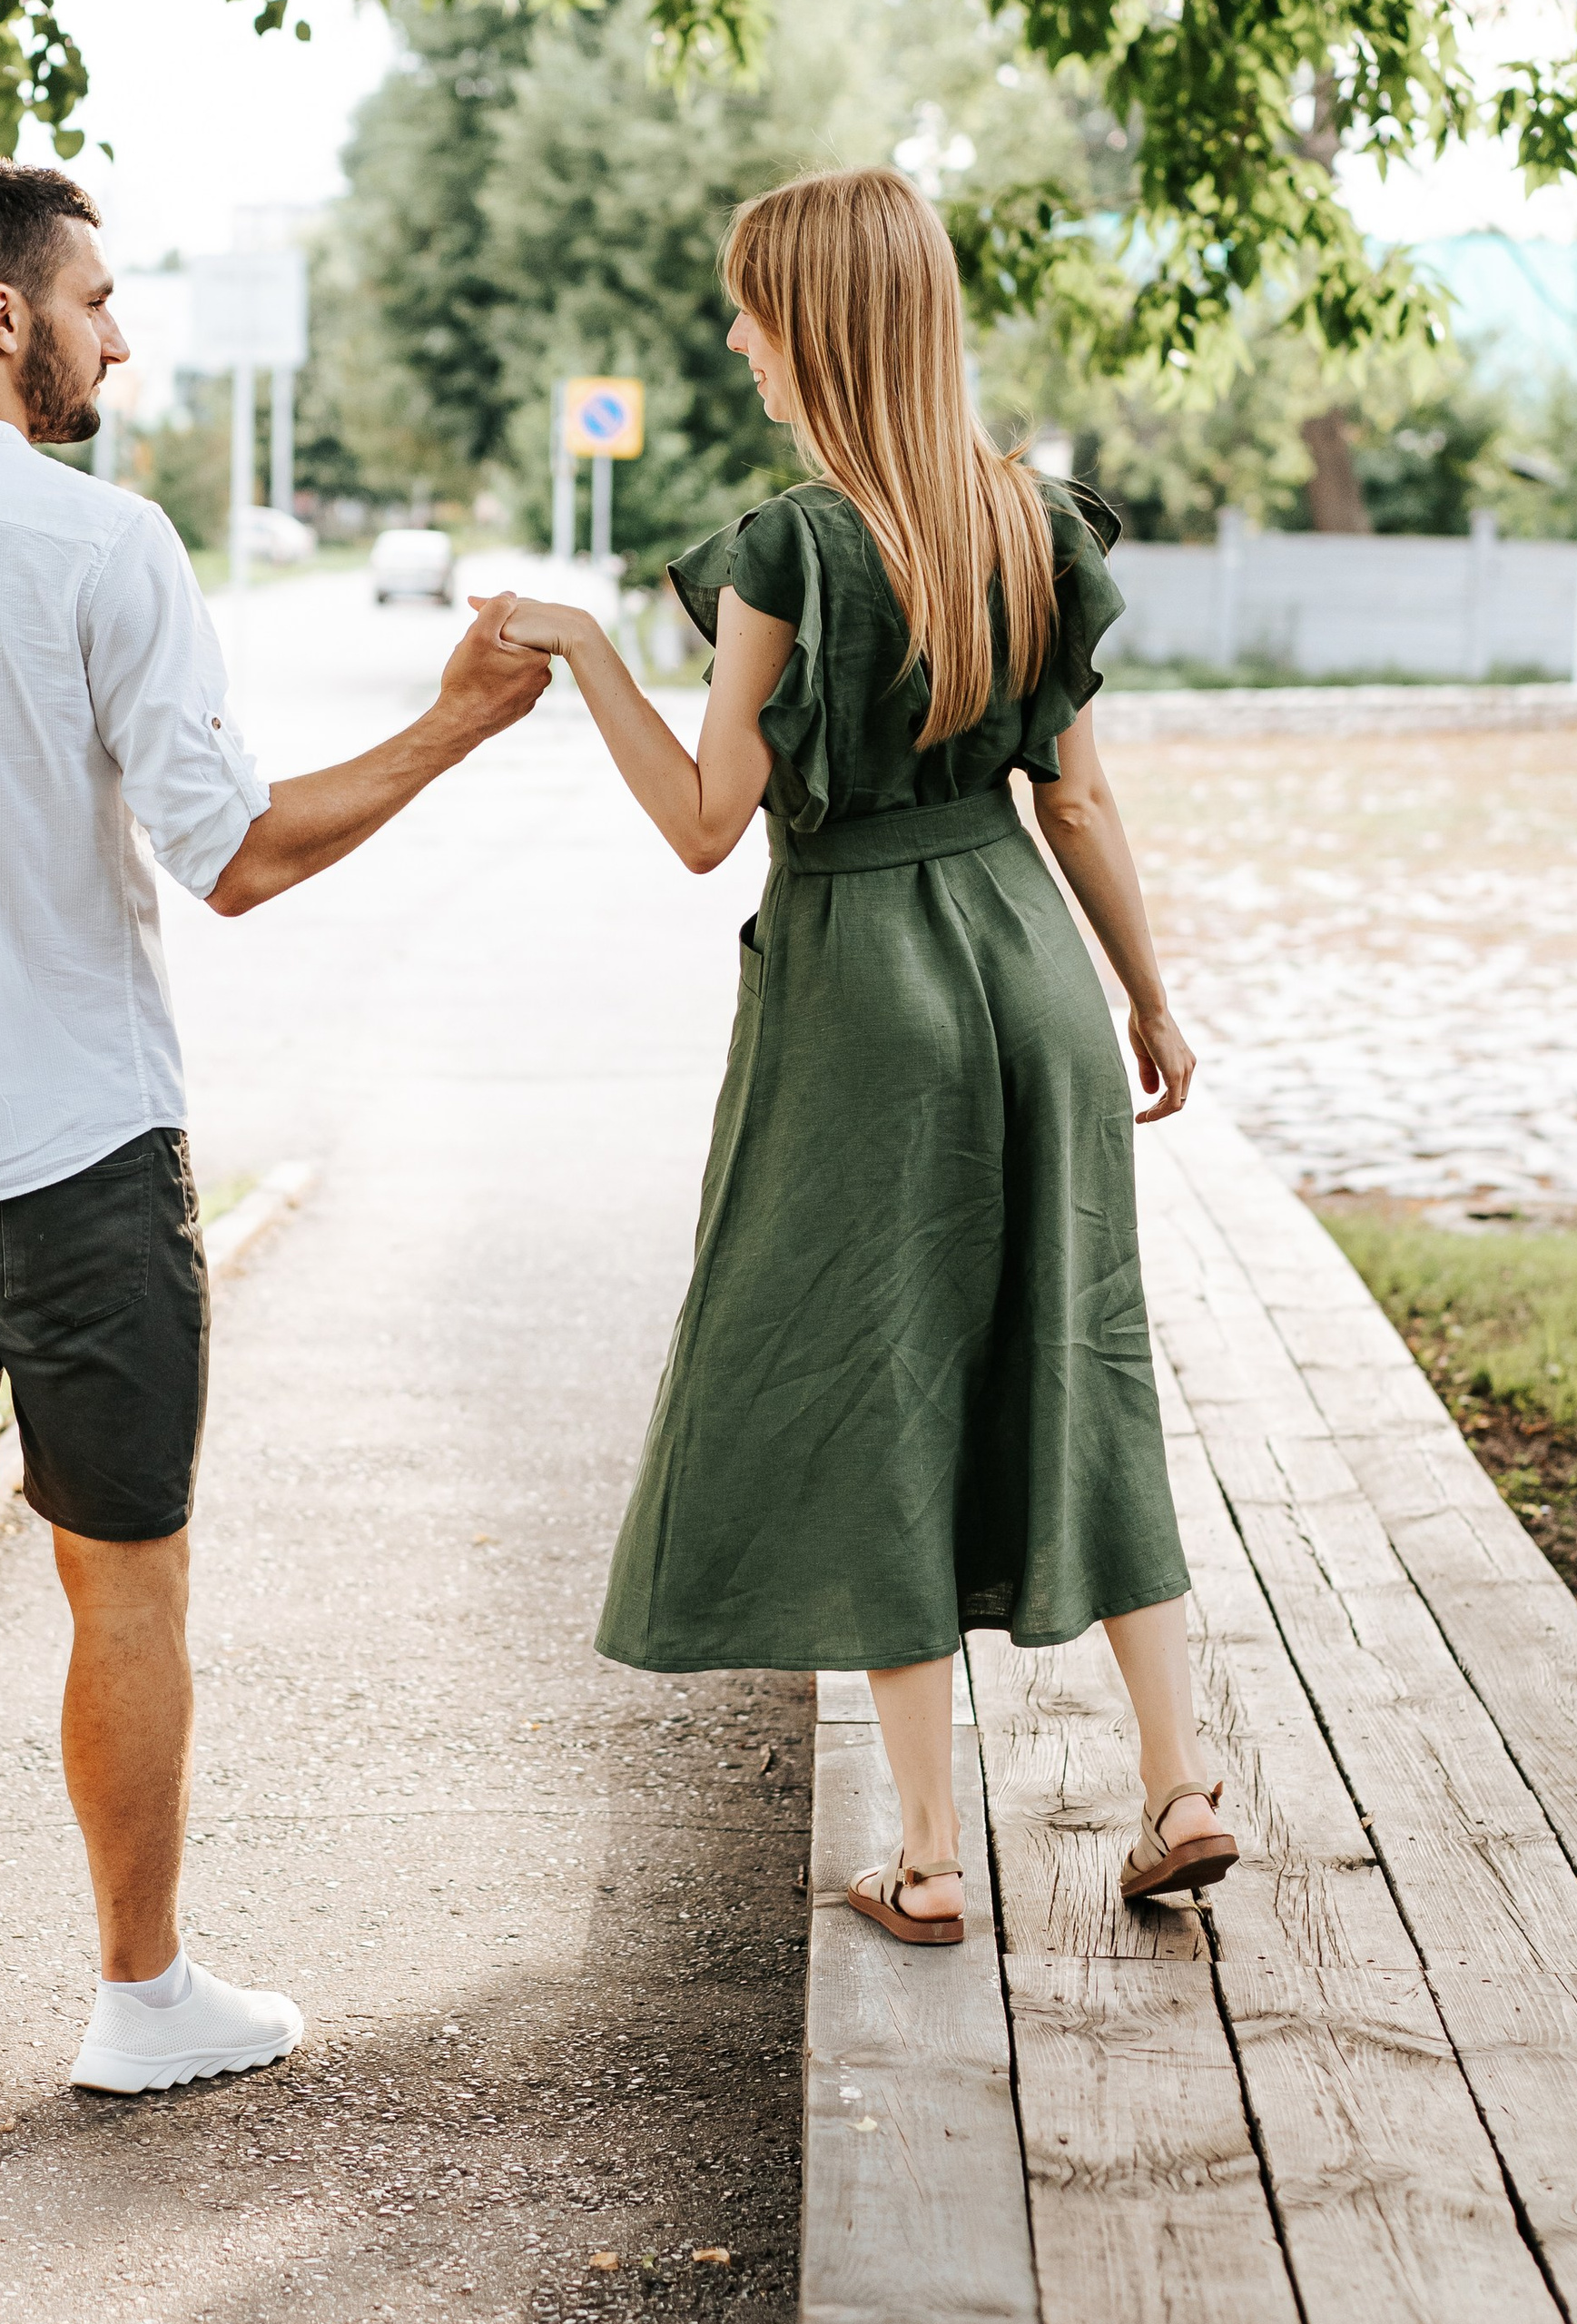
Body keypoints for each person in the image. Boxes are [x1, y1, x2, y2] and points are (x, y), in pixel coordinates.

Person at [0, 160, 548, 2161]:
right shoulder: (101, 542)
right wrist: (453, 724)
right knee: (124, 1586)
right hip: (71, 1158)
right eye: (95, 301)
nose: (119, 338)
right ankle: (142, 2000)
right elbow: (234, 854)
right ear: (2, 314)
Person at [487, 167, 1236, 1942]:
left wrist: (586, 647)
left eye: (750, 307)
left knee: (870, 1373)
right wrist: (1147, 999)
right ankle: (1179, 1784)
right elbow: (1078, 799)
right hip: (1032, 970)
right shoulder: (1033, 524)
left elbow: (702, 819)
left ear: (813, 327)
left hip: (864, 984)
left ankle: (929, 1852)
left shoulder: (788, 550)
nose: (734, 336)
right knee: (1083, 1353)